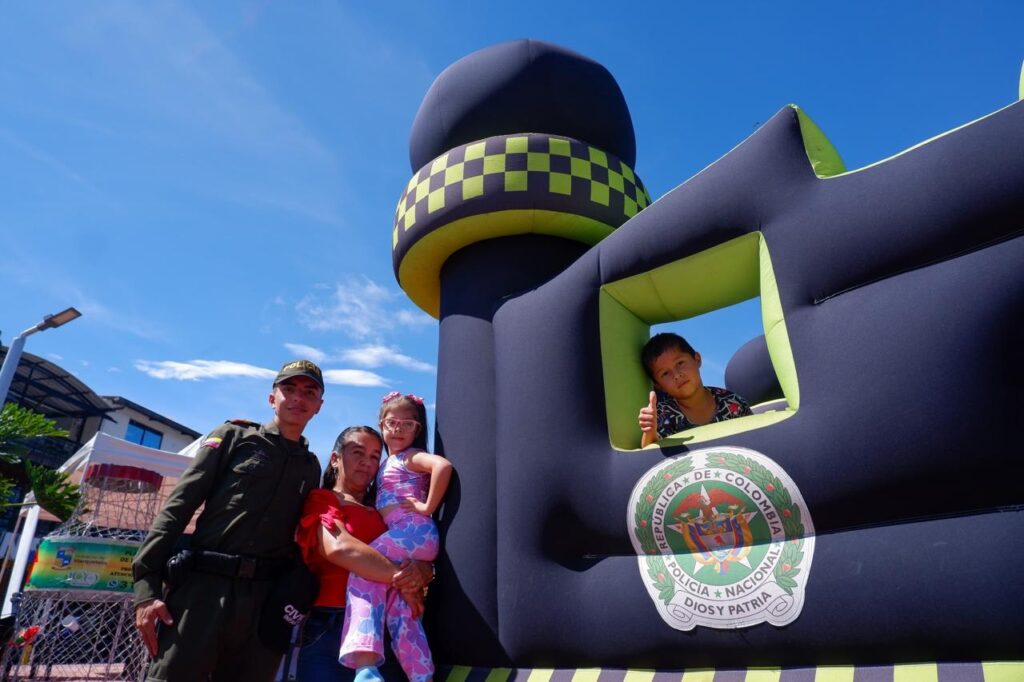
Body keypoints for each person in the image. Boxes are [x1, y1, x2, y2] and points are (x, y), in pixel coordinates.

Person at [132, 359, 325, 682]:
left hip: (263, 603)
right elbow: (177, 508)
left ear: (318, 406)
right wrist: (146, 590)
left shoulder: (310, 466)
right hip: (202, 592)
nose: (297, 398)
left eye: (309, 392)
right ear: (271, 397)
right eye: (288, 389)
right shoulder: (235, 437)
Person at [295, 425, 434, 682]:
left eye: (374, 456)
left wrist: (424, 571)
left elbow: (415, 550)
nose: (367, 462)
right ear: (335, 459)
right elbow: (341, 548)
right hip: (331, 628)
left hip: (388, 631)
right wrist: (402, 579)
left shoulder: (386, 509)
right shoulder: (323, 499)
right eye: (358, 452)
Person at [338, 392, 453, 682]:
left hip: (413, 532)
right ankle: (421, 674)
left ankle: (365, 663)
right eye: (392, 422)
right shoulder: (388, 464)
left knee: (363, 573)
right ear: (381, 424)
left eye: (407, 423)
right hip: (410, 540)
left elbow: (442, 466)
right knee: (401, 604)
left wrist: (427, 507)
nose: (398, 428)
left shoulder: (408, 457)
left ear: (418, 429)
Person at [637, 333, 752, 447]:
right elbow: (650, 453)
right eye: (665, 373)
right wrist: (649, 432)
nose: (676, 375)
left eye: (680, 363)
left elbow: (755, 439)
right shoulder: (662, 415)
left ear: (697, 359)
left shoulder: (733, 403)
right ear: (658, 385)